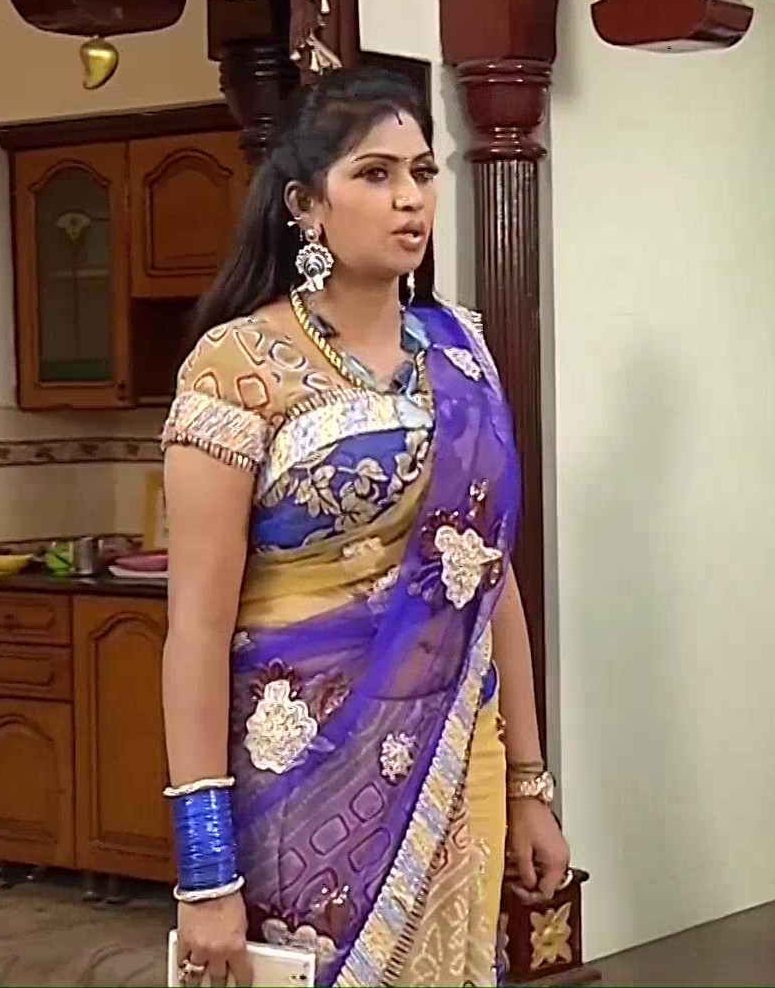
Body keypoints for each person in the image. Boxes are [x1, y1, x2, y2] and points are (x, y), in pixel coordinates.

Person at [159, 66, 570, 988]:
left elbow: (485, 575)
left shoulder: (461, 352)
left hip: (453, 764)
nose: (409, 199)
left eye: (422, 173)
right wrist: (205, 869)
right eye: (375, 174)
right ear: (306, 205)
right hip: (299, 775)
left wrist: (530, 783)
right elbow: (195, 630)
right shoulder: (238, 366)